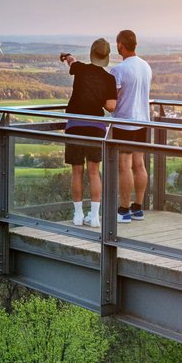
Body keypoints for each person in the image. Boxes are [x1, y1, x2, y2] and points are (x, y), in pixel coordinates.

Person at [61, 39, 118, 228]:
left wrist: (67, 57)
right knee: (94, 172)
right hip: (96, 127)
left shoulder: (81, 69)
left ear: (92, 53)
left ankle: (78, 215)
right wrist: (99, 98)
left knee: (76, 171)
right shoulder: (109, 79)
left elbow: (71, 62)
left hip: (75, 126)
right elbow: (111, 106)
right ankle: (94, 217)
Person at [107, 29, 152, 223]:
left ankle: (123, 210)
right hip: (143, 121)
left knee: (124, 166)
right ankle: (138, 208)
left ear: (120, 45)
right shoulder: (146, 66)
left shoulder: (119, 70)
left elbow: (112, 102)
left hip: (124, 122)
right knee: (139, 164)